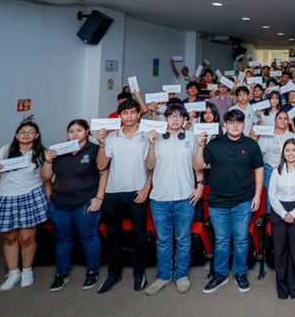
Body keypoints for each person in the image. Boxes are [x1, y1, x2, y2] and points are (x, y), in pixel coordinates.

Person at [194, 109, 265, 294]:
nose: (235, 126)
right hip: (217, 202)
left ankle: (240, 273)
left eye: (239, 123)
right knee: (222, 241)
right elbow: (198, 166)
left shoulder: (251, 145)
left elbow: (259, 169)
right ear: (224, 124)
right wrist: (200, 146)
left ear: (244, 125)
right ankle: (220, 274)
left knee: (241, 240)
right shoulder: (214, 144)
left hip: (242, 200)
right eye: (231, 122)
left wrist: (257, 195)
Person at [143, 104, 204, 295]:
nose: (175, 119)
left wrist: (200, 187)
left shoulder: (192, 138)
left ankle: (181, 275)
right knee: (163, 240)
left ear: (185, 119)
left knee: (183, 239)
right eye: (171, 116)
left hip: (185, 198)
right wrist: (151, 144)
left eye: (179, 116)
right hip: (160, 198)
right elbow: (149, 165)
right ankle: (163, 276)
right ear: (166, 119)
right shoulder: (156, 138)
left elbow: (198, 166)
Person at [40, 119, 107, 292]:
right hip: (60, 203)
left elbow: (103, 172)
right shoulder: (58, 151)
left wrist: (99, 198)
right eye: (71, 131)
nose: (74, 134)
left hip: (85, 203)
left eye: (79, 130)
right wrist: (47, 161)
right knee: (63, 239)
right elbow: (45, 177)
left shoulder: (93, 150)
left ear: (86, 132)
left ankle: (92, 271)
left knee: (89, 238)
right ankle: (61, 273)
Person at [0, 121, 48, 291]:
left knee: (27, 238)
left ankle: (27, 271)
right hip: (6, 197)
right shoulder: (5, 150)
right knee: (10, 237)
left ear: (37, 135)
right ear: (16, 135)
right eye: (22, 131)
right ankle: (13, 273)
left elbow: (46, 177)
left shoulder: (41, 153)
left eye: (30, 131)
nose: (26, 134)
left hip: (30, 195)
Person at [95, 99, 152, 294]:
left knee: (139, 235)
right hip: (113, 192)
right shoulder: (111, 138)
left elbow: (152, 165)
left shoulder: (147, 136)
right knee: (113, 235)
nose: (128, 116)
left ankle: (139, 272)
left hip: (137, 191)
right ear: (119, 116)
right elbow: (101, 166)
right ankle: (114, 272)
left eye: (132, 112)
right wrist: (101, 144)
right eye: (124, 113)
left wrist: (147, 187)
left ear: (138, 114)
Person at [268, 139, 295, 299]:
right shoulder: (276, 171)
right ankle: (282, 288)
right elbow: (271, 195)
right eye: (287, 150)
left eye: (294, 150)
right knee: (280, 251)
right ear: (283, 153)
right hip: (278, 211)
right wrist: (282, 213)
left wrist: (293, 214)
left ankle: (294, 287)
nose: (291, 153)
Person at [255, 110, 295, 214]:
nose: (283, 121)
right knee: (270, 194)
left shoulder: (292, 136)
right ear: (274, 120)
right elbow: (259, 155)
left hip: (287, 169)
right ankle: (269, 219)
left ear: (288, 121)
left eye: (285, 118)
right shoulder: (266, 135)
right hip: (269, 168)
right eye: (280, 118)